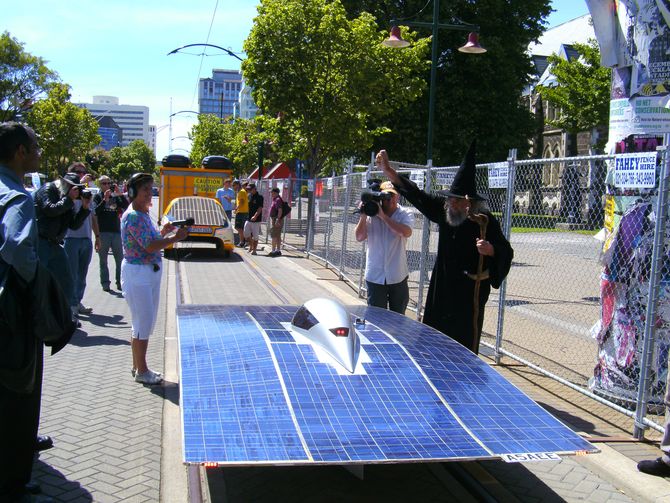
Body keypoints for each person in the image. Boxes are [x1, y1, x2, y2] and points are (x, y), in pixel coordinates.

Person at [376, 141, 513, 353]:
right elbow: (416, 194)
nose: (452, 205)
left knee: (463, 344)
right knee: (435, 341)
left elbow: (506, 251)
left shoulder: (484, 220)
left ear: (470, 203)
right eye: (451, 200)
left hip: (468, 295)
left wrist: (491, 250)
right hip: (443, 290)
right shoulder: (445, 212)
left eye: (458, 201)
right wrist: (389, 171)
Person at [0, 122, 74, 502]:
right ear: (18, 152)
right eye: (34, 147)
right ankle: (14, 481)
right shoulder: (17, 197)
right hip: (11, 312)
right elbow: (15, 247)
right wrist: (37, 282)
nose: (39, 153)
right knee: (19, 394)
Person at [121, 173, 188, 385]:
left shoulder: (142, 214)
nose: (150, 194)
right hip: (139, 273)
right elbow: (149, 246)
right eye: (145, 190)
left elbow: (150, 239)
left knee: (141, 323)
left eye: (151, 189)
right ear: (132, 193)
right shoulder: (133, 216)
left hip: (145, 272)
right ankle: (142, 370)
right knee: (143, 323)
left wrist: (163, 232)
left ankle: (137, 365)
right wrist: (173, 238)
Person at [33, 170, 91, 327]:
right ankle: (36, 318)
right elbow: (50, 209)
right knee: (39, 282)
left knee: (66, 280)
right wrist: (69, 199)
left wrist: (84, 209)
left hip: (55, 244)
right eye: (75, 188)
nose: (78, 192)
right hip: (41, 242)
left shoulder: (69, 200)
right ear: (66, 185)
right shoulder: (48, 190)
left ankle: (66, 316)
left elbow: (72, 224)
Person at [355, 180, 414, 314]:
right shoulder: (371, 214)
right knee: (376, 318)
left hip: (397, 275)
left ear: (397, 196)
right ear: (380, 197)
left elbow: (406, 232)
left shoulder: (404, 213)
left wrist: (383, 216)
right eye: (386, 197)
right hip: (375, 277)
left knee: (398, 318)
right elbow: (359, 237)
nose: (390, 200)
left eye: (393, 196)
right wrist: (363, 216)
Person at [63, 162, 99, 316]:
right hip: (70, 239)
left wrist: (97, 236)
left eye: (83, 172)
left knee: (82, 275)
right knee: (70, 274)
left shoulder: (86, 193)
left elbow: (93, 216)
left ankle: (77, 301)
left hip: (86, 239)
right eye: (78, 172)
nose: (81, 174)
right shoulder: (65, 192)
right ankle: (70, 305)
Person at [93, 175, 128, 292]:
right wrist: (104, 200)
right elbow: (95, 212)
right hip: (103, 232)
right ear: (100, 185)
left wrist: (119, 194)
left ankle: (120, 283)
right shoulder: (97, 197)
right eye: (104, 183)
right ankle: (105, 283)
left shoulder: (115, 196)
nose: (107, 185)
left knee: (120, 259)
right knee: (103, 260)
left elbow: (127, 206)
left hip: (116, 232)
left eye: (109, 183)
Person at [244, 183, 264, 256]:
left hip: (256, 220)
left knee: (255, 236)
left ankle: (254, 250)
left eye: (250, 189)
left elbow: (260, 208)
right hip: (248, 218)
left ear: (254, 189)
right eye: (248, 189)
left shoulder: (260, 197)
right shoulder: (249, 196)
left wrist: (255, 216)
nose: (249, 190)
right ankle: (251, 245)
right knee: (246, 233)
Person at [268, 187, 285, 257]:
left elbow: (280, 210)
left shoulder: (277, 200)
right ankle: (278, 250)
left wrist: (278, 220)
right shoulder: (276, 199)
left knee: (274, 235)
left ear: (275, 193)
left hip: (276, 220)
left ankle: (273, 251)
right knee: (277, 235)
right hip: (276, 219)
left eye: (272, 192)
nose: (271, 193)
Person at [232, 179, 248, 247]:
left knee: (239, 228)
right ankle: (244, 241)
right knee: (241, 228)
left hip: (241, 212)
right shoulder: (241, 191)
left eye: (234, 185)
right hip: (243, 212)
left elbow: (242, 202)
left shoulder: (241, 192)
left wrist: (236, 208)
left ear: (238, 185)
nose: (233, 187)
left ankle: (242, 242)